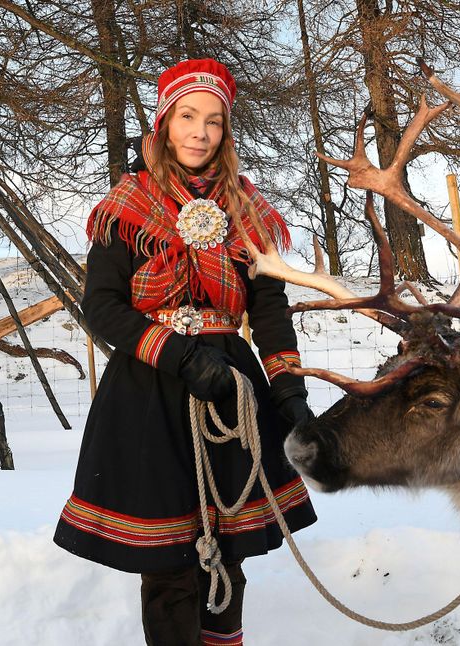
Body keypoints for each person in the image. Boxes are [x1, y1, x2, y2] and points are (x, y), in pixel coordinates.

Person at [53, 58, 317, 646]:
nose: (200, 132)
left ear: (226, 133)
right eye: (188, 116)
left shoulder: (248, 212)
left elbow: (269, 312)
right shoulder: (127, 208)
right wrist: (179, 355)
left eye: (214, 121)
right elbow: (102, 308)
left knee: (226, 555)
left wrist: (288, 390)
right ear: (165, 123)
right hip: (150, 387)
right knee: (170, 562)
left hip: (230, 392)